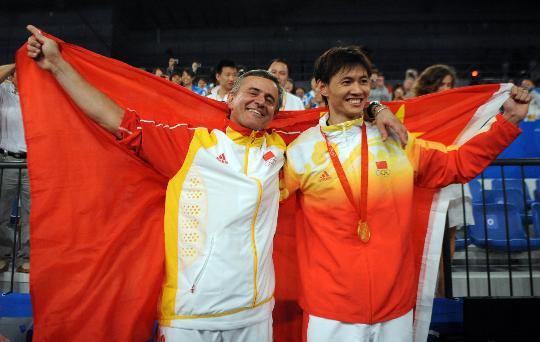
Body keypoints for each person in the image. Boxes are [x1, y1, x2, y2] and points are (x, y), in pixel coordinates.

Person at [26, 25, 408, 341]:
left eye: (271, 99)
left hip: (257, 314)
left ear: (278, 111)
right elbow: (115, 119)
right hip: (192, 317)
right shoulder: (193, 145)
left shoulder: (282, 148)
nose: (261, 102)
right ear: (230, 97)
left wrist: (376, 107)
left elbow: (338, 116)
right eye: (253, 93)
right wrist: (58, 67)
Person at [283, 46, 530, 342]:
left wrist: (508, 122)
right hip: (329, 310)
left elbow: (456, 166)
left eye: (363, 81)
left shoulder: (395, 138)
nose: (358, 90)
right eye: (346, 82)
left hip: (395, 307)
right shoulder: (300, 151)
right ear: (320, 86)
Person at [412, 63, 469, 297]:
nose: (446, 88)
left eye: (449, 84)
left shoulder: (459, 108)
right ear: (429, 85)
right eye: (441, 84)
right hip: (428, 178)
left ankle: (442, 295)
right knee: (427, 239)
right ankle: (423, 295)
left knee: (450, 236)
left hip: (453, 176)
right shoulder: (417, 108)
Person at [0, 63, 30, 274]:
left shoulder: (38, 96)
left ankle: (26, 258)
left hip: (33, 163)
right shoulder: (4, 93)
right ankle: (3, 254)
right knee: (1, 212)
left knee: (32, 214)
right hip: (7, 160)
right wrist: (18, 62)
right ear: (13, 74)